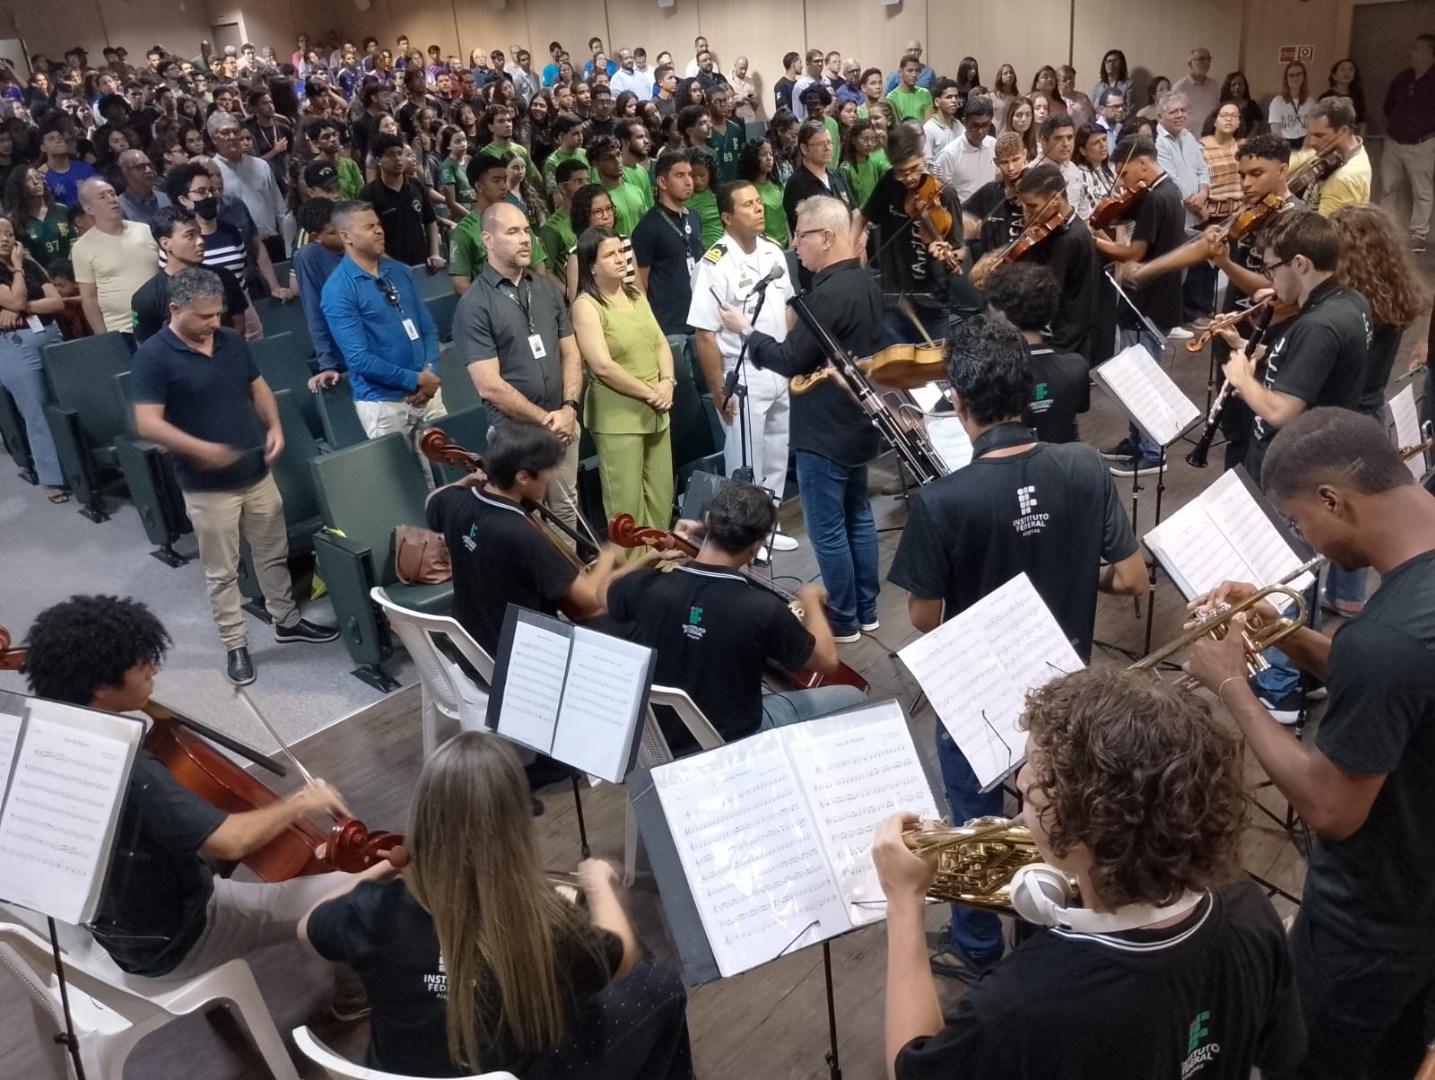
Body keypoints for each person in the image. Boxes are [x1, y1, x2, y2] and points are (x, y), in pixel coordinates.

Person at [874, 667, 1305, 1079]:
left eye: (1037, 774)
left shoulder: (1021, 1003)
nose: (1021, 781)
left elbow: (911, 1067)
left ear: (1085, 828)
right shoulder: (1250, 910)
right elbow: (1278, 1051)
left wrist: (904, 902)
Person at [886, 317, 1145, 982]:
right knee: (1053, 811)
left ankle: (976, 946)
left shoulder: (940, 501)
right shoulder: (1084, 464)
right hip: (1067, 688)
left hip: (980, 693)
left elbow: (924, 616)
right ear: (1026, 391)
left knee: (976, 820)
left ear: (958, 403)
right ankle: (1042, 933)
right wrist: (1069, 564)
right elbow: (1130, 578)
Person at [1182, 407, 1435, 1080]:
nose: (1307, 541)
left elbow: (1331, 808)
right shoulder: (1406, 615)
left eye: (1299, 523)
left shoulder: (1387, 638)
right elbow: (1401, 684)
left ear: (1333, 499)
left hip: (1370, 927)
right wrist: (1284, 633)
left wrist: (1231, 685)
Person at [300, 732, 691, 1078]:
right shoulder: (549, 930)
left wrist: (390, 861)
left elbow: (307, 925)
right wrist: (600, 882)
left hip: (393, 1075)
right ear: (514, 833)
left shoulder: (371, 910)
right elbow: (622, 956)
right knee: (662, 985)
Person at [23, 595, 364, 981]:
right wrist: (302, 802)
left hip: (115, 923)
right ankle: (351, 996)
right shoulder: (130, 769)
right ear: (100, 686)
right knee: (368, 884)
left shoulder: (40, 737)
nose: (154, 668)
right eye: (141, 663)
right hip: (177, 938)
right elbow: (231, 842)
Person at [132, 269, 338, 684]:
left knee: (272, 552)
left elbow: (257, 388)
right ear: (175, 309)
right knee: (222, 571)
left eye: (218, 313)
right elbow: (148, 424)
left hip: (254, 471)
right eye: (204, 316)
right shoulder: (152, 357)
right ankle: (235, 644)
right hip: (207, 487)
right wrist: (201, 449)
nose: (215, 322)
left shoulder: (228, 340)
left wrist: (275, 427)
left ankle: (286, 619)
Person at [718, 194, 882, 639]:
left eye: (801, 235)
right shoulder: (866, 282)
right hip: (858, 421)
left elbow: (790, 359)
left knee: (827, 528)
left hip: (824, 429)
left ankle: (843, 619)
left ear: (826, 237)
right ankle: (866, 609)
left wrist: (746, 331)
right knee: (858, 516)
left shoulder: (825, 296)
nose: (795, 244)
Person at [602, 480, 863, 752]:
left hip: (661, 742)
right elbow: (826, 661)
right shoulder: (763, 609)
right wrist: (810, 599)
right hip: (730, 744)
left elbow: (603, 590)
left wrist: (651, 557)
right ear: (756, 547)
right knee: (853, 697)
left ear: (707, 521)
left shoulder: (647, 587)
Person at [425, 422, 642, 652]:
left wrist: (469, 480)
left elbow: (432, 502)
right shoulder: (520, 533)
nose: (552, 475)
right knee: (638, 630)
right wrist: (608, 556)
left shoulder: (455, 501)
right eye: (549, 468)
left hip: (470, 652)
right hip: (520, 657)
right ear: (523, 477)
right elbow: (586, 602)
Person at [455, 201, 586, 538]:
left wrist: (569, 409)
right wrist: (546, 421)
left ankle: (570, 574)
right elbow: (489, 386)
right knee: (530, 520)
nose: (525, 239)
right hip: (516, 434)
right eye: (513, 232)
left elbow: (571, 354)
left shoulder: (545, 289)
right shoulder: (474, 304)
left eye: (526, 230)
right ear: (488, 240)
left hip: (563, 422)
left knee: (566, 507)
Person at [1221, 209, 1370, 482]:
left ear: (1300, 264)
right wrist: (1248, 347)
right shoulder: (1352, 300)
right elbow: (1313, 365)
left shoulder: (1319, 325)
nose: (1270, 279)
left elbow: (1281, 412)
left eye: (1272, 269)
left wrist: (1243, 380)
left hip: (1291, 471)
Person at [686, 180, 797, 537]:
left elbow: (788, 308)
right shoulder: (714, 264)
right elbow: (705, 333)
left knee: (777, 455)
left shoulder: (773, 251)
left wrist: (789, 357)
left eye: (758, 202)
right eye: (748, 205)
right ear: (727, 217)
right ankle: (742, 536)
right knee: (746, 462)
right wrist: (719, 389)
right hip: (744, 373)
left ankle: (769, 529)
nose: (759, 208)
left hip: (778, 366)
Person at [570, 225, 675, 538]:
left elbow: (660, 342)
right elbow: (602, 366)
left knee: (661, 495)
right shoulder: (586, 305)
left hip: (657, 408)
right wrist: (651, 393)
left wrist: (667, 382)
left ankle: (659, 559)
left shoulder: (635, 294)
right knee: (626, 506)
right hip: (619, 416)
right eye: (610, 255)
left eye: (621, 252)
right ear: (591, 266)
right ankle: (634, 567)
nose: (621, 259)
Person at [1093, 135, 1188, 475]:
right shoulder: (1170, 190)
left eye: (1125, 172)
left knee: (1144, 380)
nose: (1123, 183)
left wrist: (1096, 241)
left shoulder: (1154, 199)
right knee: (1137, 377)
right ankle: (1137, 441)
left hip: (1146, 302)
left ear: (1143, 164)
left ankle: (1152, 451)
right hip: (1158, 298)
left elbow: (1135, 252)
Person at [321, 200, 443, 457]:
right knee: (407, 478)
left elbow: (429, 329)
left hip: (429, 392)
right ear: (346, 237)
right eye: (369, 227)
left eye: (378, 224)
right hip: (384, 404)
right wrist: (415, 380)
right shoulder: (338, 289)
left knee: (451, 470)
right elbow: (359, 359)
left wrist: (430, 373)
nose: (379, 230)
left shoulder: (400, 272)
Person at [853, 124, 962, 346]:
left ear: (922, 157)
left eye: (914, 168)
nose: (909, 178)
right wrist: (849, 249)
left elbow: (959, 249)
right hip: (895, 300)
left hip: (933, 303)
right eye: (902, 172)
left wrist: (948, 256)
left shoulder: (945, 195)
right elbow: (862, 216)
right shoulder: (890, 182)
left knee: (936, 364)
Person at [977, 163, 1096, 361]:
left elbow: (1041, 290)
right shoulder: (1061, 231)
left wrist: (1000, 281)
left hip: (1063, 339)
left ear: (1055, 200)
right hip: (1063, 333)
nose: (1028, 213)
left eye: (1033, 206)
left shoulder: (1069, 239)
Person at [0, 217, 67, 502]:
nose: (5, 239)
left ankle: (81, 464)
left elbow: (57, 302)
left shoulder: (32, 264)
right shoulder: (20, 267)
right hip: (15, 347)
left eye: (8, 233)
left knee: (66, 402)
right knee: (36, 410)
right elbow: (13, 300)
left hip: (51, 336)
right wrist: (16, 270)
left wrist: (23, 307)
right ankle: (52, 477)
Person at [984, 262, 1087, 443]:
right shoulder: (1076, 366)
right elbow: (1080, 409)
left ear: (1002, 316)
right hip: (1063, 457)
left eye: (990, 311)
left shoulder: (990, 374)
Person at [131, 207, 248, 344]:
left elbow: (239, 324)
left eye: (199, 233)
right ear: (166, 243)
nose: (201, 241)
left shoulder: (224, 278)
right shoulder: (146, 298)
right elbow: (148, 346)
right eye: (190, 236)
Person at [72, 179, 161, 335]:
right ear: (89, 208)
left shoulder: (145, 230)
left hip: (162, 321)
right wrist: (104, 337)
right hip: (121, 328)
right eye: (102, 197)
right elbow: (89, 298)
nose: (112, 199)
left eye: (112, 194)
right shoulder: (82, 247)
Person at [632, 150, 704, 336]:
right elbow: (640, 285)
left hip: (700, 319)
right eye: (680, 175)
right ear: (662, 182)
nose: (689, 181)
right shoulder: (648, 227)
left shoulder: (694, 217)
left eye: (690, 174)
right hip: (669, 326)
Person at [208, 112, 288, 258]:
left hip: (271, 241)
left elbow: (279, 207)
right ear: (214, 139)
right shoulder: (211, 172)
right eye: (225, 133)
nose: (232, 137)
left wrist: (287, 242)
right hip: (235, 246)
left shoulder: (261, 165)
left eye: (235, 132)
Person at [1382, 35, 1435, 253]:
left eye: (1416, 48)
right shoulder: (1403, 78)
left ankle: (1418, 234)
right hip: (1393, 142)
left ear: (1430, 53)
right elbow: (1388, 105)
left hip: (1423, 144)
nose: (1411, 52)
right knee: (1388, 187)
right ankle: (1386, 231)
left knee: (1422, 191)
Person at [360, 132, 444, 271]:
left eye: (400, 153)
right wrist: (394, 265)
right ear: (378, 160)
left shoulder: (416, 186)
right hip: (389, 269)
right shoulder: (369, 195)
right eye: (390, 154)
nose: (398, 158)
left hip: (421, 264)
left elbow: (430, 221)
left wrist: (435, 253)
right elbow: (368, 239)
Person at [291, 198, 347, 389]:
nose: (342, 234)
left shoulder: (358, 238)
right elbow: (314, 312)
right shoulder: (308, 257)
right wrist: (327, 364)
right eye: (332, 232)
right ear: (316, 237)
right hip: (345, 352)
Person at [1290, 96, 1371, 217]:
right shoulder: (1333, 151)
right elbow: (1299, 158)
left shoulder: (1343, 178)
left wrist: (1285, 196)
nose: (1311, 142)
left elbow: (1323, 226)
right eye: (1310, 134)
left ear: (1343, 131)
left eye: (1319, 135)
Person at [933, 94, 995, 203]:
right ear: (964, 122)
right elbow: (935, 193)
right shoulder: (949, 155)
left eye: (985, 125)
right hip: (961, 212)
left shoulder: (994, 145)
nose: (980, 131)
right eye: (975, 125)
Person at [738, 139, 789, 248]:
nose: (769, 158)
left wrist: (791, 240)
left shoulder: (777, 184)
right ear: (753, 158)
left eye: (771, 154)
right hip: (764, 247)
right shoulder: (748, 190)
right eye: (763, 154)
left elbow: (785, 218)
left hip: (786, 245)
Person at [37, 117, 96, 207]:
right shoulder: (40, 176)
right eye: (51, 139)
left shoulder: (85, 167)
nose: (58, 141)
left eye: (60, 137)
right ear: (43, 147)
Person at [1269, 61, 1318, 150]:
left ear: (1304, 77)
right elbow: (1275, 131)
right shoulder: (1278, 101)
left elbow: (1312, 128)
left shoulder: (1310, 101)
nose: (1295, 78)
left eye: (1298, 74)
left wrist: (1305, 148)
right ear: (1286, 79)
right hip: (1285, 143)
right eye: (1291, 75)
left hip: (1304, 142)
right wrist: (1283, 149)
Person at [117, 149, 171, 225]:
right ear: (125, 172)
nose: (148, 170)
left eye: (150, 165)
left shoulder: (165, 198)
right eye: (140, 166)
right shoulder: (120, 207)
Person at [1171, 45, 1220, 131]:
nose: (1206, 63)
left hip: (1210, 136)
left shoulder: (1214, 85)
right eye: (1201, 59)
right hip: (1187, 137)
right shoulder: (1180, 88)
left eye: (1208, 59)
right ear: (1190, 64)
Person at [923, 78, 963, 166]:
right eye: (949, 97)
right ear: (937, 102)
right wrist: (944, 172)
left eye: (956, 96)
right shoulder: (928, 129)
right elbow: (927, 164)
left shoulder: (959, 125)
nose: (954, 100)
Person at [886, 54, 933, 125]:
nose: (914, 75)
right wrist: (923, 122)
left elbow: (930, 121)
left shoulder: (925, 93)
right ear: (900, 72)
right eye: (910, 71)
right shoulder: (892, 98)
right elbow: (897, 127)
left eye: (917, 71)